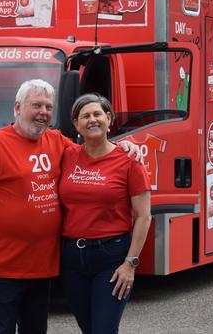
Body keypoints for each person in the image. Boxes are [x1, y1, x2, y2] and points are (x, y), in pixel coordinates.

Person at [0, 79, 140, 334]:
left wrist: (126, 144)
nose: (43, 112)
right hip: (1, 265)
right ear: (18, 107)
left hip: (41, 267)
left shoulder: (58, 142)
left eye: (48, 107)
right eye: (36, 105)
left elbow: (95, 149)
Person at [59, 93, 152, 334]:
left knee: (103, 330)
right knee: (88, 328)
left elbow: (143, 216)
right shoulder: (67, 155)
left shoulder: (130, 160)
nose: (92, 120)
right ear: (76, 124)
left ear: (109, 118)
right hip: (72, 258)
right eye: (85, 116)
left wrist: (130, 264)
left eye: (98, 114)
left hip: (111, 258)